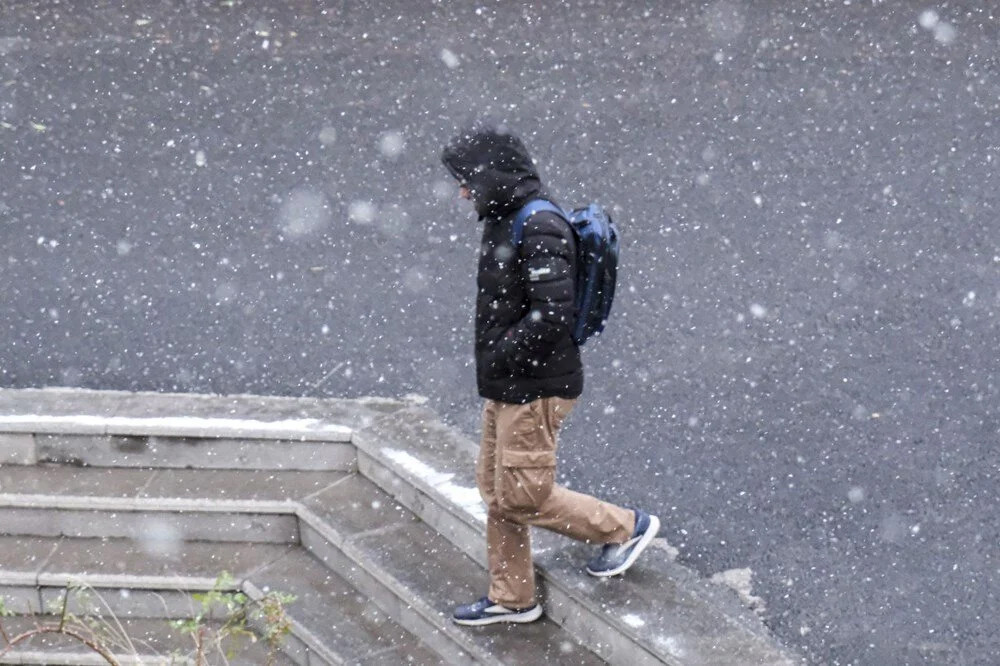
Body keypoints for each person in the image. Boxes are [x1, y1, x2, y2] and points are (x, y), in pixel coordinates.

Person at [441, 125, 660, 626]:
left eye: (467, 179)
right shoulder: (503, 217)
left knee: (522, 495)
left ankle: (624, 528)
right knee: (496, 489)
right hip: (509, 384)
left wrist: (501, 358)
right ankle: (512, 597)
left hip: (535, 388)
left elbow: (551, 317)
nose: (462, 191)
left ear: (493, 174)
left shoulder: (538, 225)